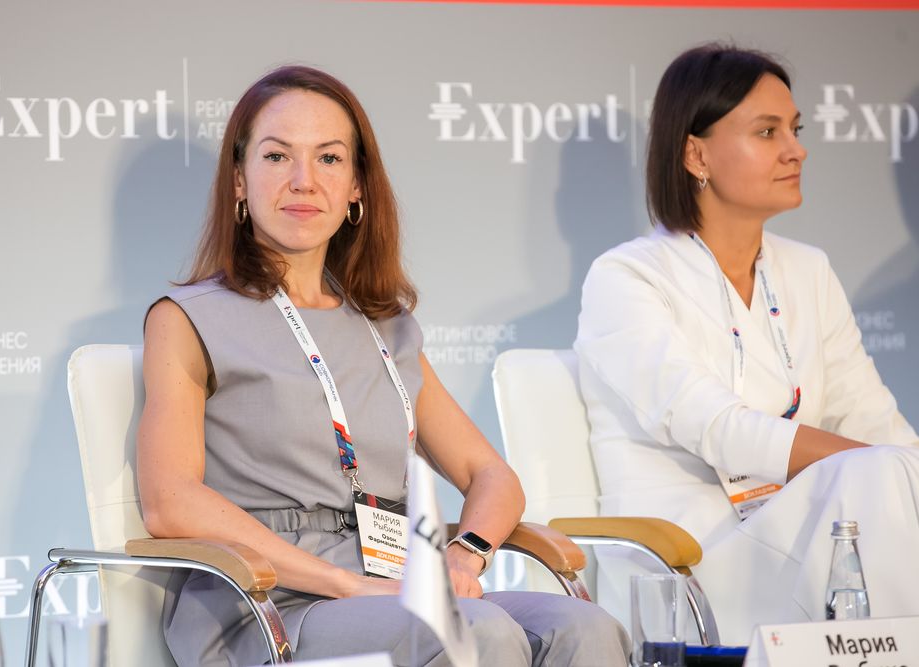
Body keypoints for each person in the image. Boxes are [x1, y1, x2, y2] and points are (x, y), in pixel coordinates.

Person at [138, 65, 629, 666]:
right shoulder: (187, 318)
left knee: (585, 627)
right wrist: (344, 583)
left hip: (392, 584)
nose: (303, 181)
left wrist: (465, 553)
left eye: (328, 158)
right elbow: (169, 500)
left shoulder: (384, 325)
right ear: (239, 179)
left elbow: (491, 475)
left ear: (356, 187)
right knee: (475, 633)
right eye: (276, 156)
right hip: (264, 600)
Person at [574, 43, 919, 644]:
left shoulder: (808, 270)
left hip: (809, 534)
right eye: (767, 132)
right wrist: (882, 467)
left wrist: (901, 468)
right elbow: (718, 427)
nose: (796, 149)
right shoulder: (626, 277)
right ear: (696, 154)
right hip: (692, 557)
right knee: (879, 476)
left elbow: (872, 419)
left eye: (795, 129)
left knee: (889, 477)